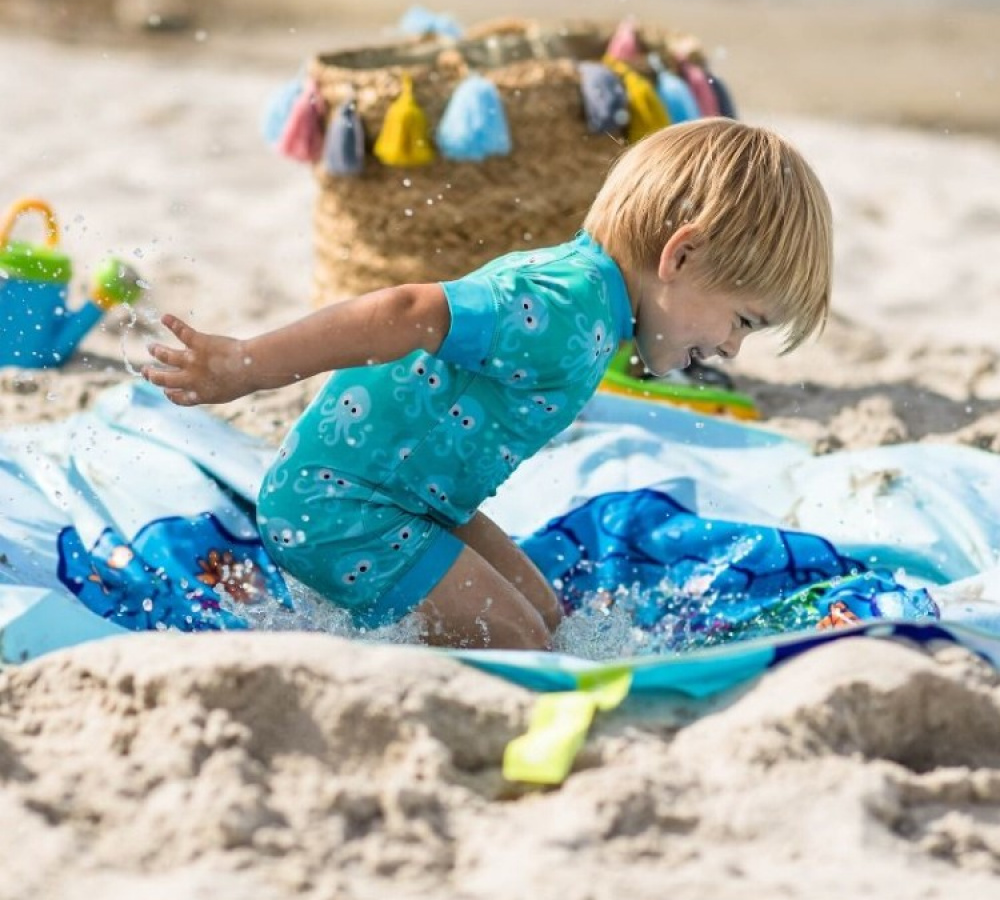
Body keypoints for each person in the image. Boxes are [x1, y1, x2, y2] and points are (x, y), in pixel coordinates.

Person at [142, 118, 832, 651]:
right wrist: (246, 366)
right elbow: (404, 312)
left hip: (413, 501)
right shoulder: (560, 307)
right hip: (343, 506)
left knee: (547, 620)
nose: (734, 347)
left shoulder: (596, 305)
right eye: (743, 319)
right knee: (522, 643)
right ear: (679, 255)